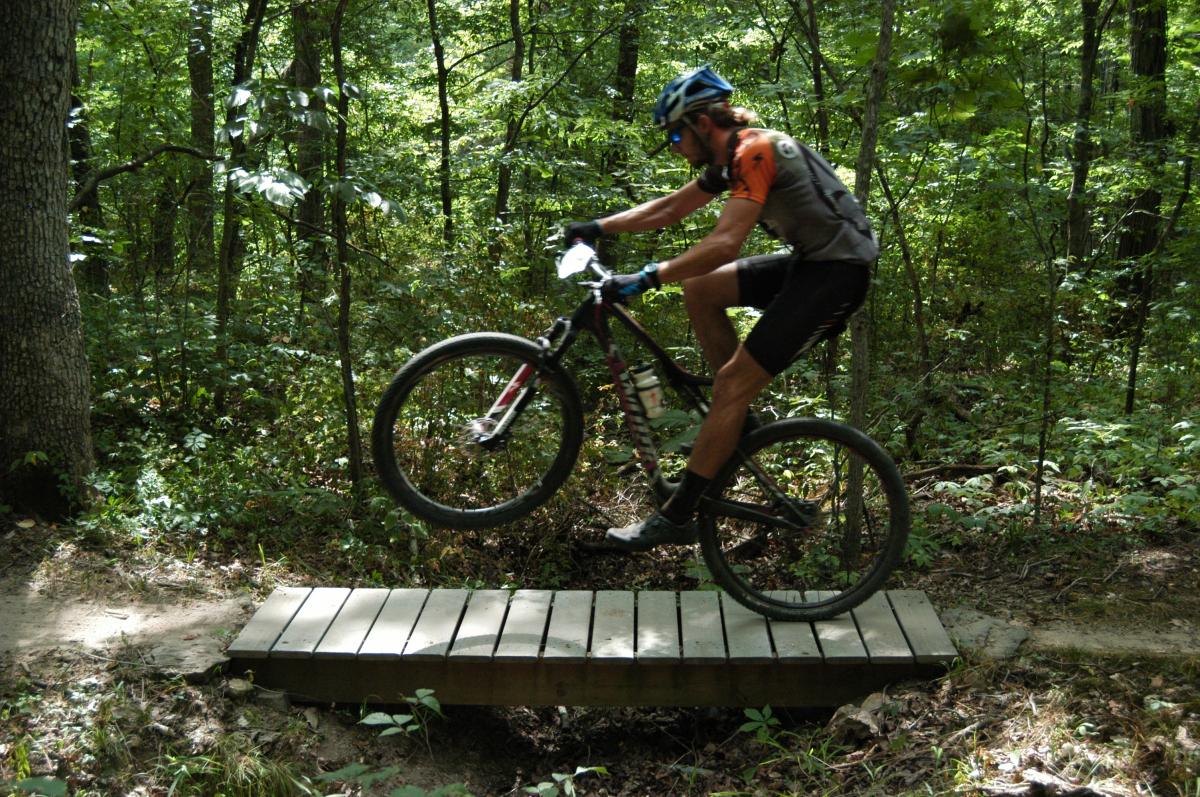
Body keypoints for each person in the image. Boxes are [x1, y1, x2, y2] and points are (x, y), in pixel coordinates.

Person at [565, 66, 878, 552]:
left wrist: (648, 277)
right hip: (811, 263)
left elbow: (726, 243)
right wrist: (596, 227)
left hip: (837, 275)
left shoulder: (756, 152)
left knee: (731, 380)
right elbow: (668, 209)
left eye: (675, 133)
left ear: (702, 124)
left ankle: (678, 514)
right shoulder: (733, 157)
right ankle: (739, 421)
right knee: (701, 290)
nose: (673, 145)